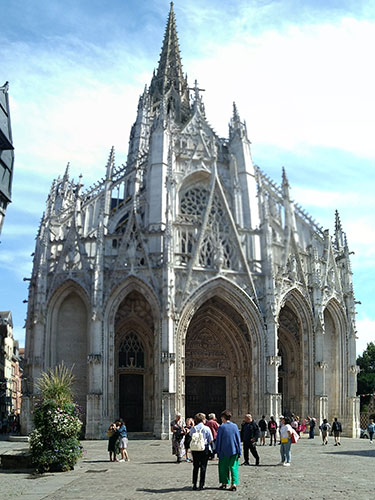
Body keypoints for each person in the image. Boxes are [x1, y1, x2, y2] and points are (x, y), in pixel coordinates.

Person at [216, 409, 242, 492]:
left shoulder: (221, 427)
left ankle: (224, 483)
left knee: (223, 467)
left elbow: (218, 440)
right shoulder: (235, 426)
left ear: (223, 417)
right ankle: (234, 483)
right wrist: (239, 451)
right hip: (234, 450)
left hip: (223, 450)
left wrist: (217, 450)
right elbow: (238, 439)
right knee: (234, 467)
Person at [189, 413, 213, 490]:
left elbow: (190, 436)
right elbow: (211, 440)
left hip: (195, 449)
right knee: (203, 467)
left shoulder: (193, 428)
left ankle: (194, 484)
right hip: (204, 449)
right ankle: (201, 484)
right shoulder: (206, 428)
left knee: (195, 467)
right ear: (203, 420)